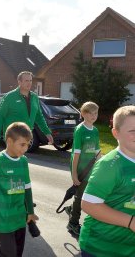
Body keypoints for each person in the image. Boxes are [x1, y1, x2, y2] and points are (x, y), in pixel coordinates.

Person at [79, 106, 135, 257]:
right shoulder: (109, 165)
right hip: (100, 248)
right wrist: (130, 222)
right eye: (132, 131)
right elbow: (88, 204)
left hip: (128, 249)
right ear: (116, 133)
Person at [0, 122, 38, 257]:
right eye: (22, 144)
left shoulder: (23, 161)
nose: (25, 149)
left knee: (17, 253)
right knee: (8, 254)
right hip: (2, 219)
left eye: (28, 144)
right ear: (9, 141)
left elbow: (27, 189)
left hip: (19, 217)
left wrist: (30, 212)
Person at [64, 101, 101, 236]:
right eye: (90, 113)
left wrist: (100, 169)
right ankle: (73, 224)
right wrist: (74, 174)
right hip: (80, 169)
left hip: (91, 169)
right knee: (79, 197)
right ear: (83, 114)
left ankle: (71, 210)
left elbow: (97, 152)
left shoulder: (95, 130)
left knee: (87, 195)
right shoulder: (80, 129)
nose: (93, 115)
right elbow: (76, 153)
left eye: (95, 112)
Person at [0, 71, 53, 149]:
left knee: (21, 160)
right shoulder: (9, 97)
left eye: (30, 80)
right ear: (19, 82)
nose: (29, 83)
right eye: (26, 81)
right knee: (12, 160)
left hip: (26, 138)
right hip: (12, 138)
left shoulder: (34, 97)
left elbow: (39, 117)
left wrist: (47, 132)